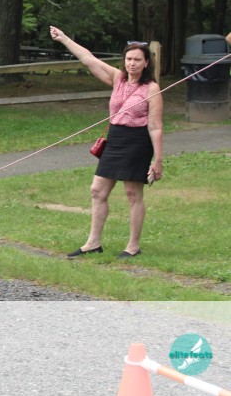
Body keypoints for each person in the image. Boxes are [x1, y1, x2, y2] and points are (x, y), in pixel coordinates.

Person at [50, 28, 163, 259]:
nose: (132, 64)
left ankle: (133, 246)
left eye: (137, 60)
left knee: (132, 194)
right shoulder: (118, 78)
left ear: (146, 63)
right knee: (97, 190)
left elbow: (155, 126)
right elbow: (88, 59)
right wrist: (64, 39)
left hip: (137, 141)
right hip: (115, 138)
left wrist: (158, 160)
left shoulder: (151, 88)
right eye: (129, 59)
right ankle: (93, 243)